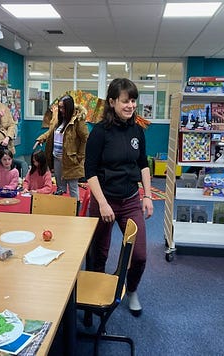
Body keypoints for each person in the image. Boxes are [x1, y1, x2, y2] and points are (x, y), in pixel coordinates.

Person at [84, 78, 154, 316]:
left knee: (140, 254)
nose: (130, 105)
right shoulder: (100, 132)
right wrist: (102, 203)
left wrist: (147, 196)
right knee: (99, 252)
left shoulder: (137, 130)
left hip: (131, 200)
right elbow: (89, 171)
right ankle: (94, 292)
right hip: (104, 199)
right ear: (112, 102)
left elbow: (143, 164)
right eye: (125, 101)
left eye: (133, 100)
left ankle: (131, 289)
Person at [34, 95, 89, 199]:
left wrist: (80, 156)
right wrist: (41, 138)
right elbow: (50, 132)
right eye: (59, 107)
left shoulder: (78, 120)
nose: (61, 110)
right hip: (57, 158)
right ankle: (62, 210)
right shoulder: (58, 119)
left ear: (69, 107)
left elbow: (85, 139)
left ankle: (75, 211)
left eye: (63, 107)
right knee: (60, 188)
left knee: (73, 188)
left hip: (71, 160)